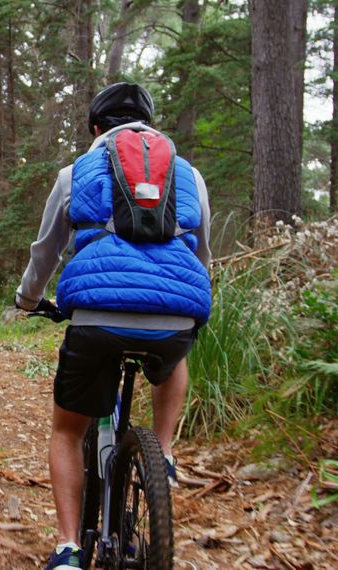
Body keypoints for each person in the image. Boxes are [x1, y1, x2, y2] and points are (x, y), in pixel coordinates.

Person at [14, 82, 211, 570]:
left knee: (65, 431)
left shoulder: (76, 171)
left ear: (96, 130)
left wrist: (28, 299)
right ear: (151, 127)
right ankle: (161, 453)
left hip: (97, 317)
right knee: (177, 352)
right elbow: (203, 255)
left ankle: (67, 549)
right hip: (176, 314)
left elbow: (46, 251)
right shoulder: (187, 174)